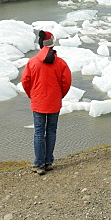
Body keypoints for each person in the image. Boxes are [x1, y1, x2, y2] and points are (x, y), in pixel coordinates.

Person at [20, 29, 72, 176]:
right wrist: (58, 95)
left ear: (41, 44)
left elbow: (25, 81)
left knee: (38, 132)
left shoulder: (32, 62)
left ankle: (39, 164)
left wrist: (33, 95)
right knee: (51, 131)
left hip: (38, 103)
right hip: (54, 102)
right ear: (52, 43)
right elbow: (66, 82)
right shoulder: (61, 63)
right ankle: (48, 162)